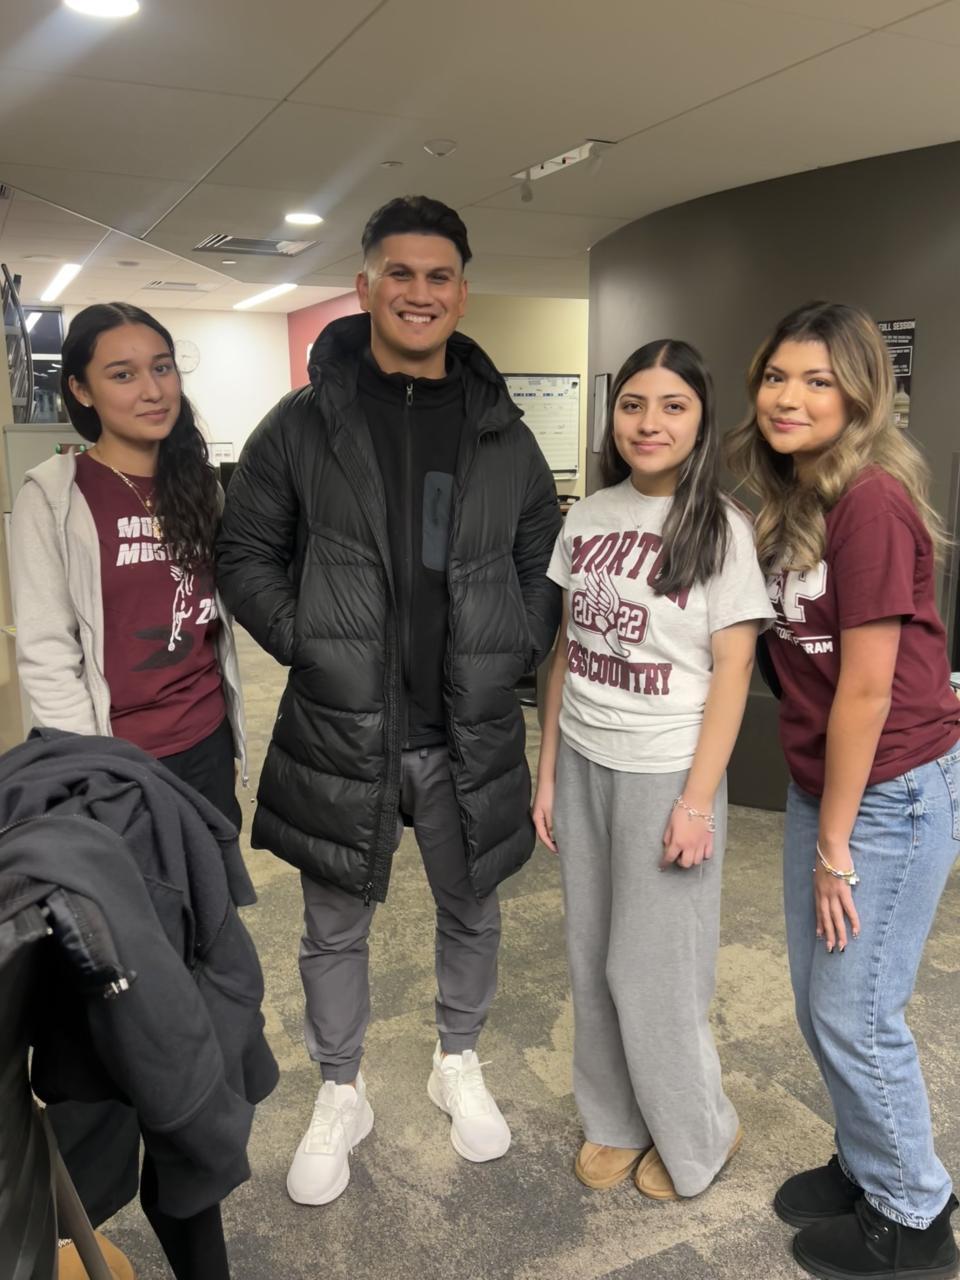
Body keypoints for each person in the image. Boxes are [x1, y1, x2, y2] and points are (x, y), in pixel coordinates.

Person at [216, 195, 561, 1206]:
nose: (419, 292)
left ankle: (458, 1059)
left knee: (472, 909)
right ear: (365, 285)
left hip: (466, 728)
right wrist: (311, 645)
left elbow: (543, 560)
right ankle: (341, 1087)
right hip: (344, 725)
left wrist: (514, 649)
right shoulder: (301, 425)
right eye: (399, 273)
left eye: (438, 275)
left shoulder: (503, 435)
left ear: (462, 291)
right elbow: (245, 552)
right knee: (333, 926)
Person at [727, 301, 960, 1280]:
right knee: (821, 998)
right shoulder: (793, 493)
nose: (789, 396)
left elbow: (867, 689)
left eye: (817, 381)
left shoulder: (872, 501)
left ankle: (915, 1217)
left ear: (861, 395)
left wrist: (835, 845)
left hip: (889, 789)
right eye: (777, 377)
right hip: (827, 778)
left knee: (857, 1013)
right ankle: (871, 1163)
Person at [533, 339, 773, 1201]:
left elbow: (735, 671)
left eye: (673, 406)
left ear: (701, 420)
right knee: (592, 956)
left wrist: (698, 802)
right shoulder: (588, 516)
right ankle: (615, 1119)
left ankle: (697, 1132)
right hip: (585, 758)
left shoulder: (722, 529)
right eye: (633, 404)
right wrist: (547, 770)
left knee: (657, 972)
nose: (649, 423)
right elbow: (567, 650)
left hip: (667, 770)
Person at [11, 301, 246, 827]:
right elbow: (47, 653)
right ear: (81, 389)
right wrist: (90, 768)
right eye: (123, 375)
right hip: (116, 753)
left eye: (162, 368)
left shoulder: (200, 487)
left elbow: (213, 621)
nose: (153, 390)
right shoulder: (52, 497)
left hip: (206, 737)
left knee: (212, 877)